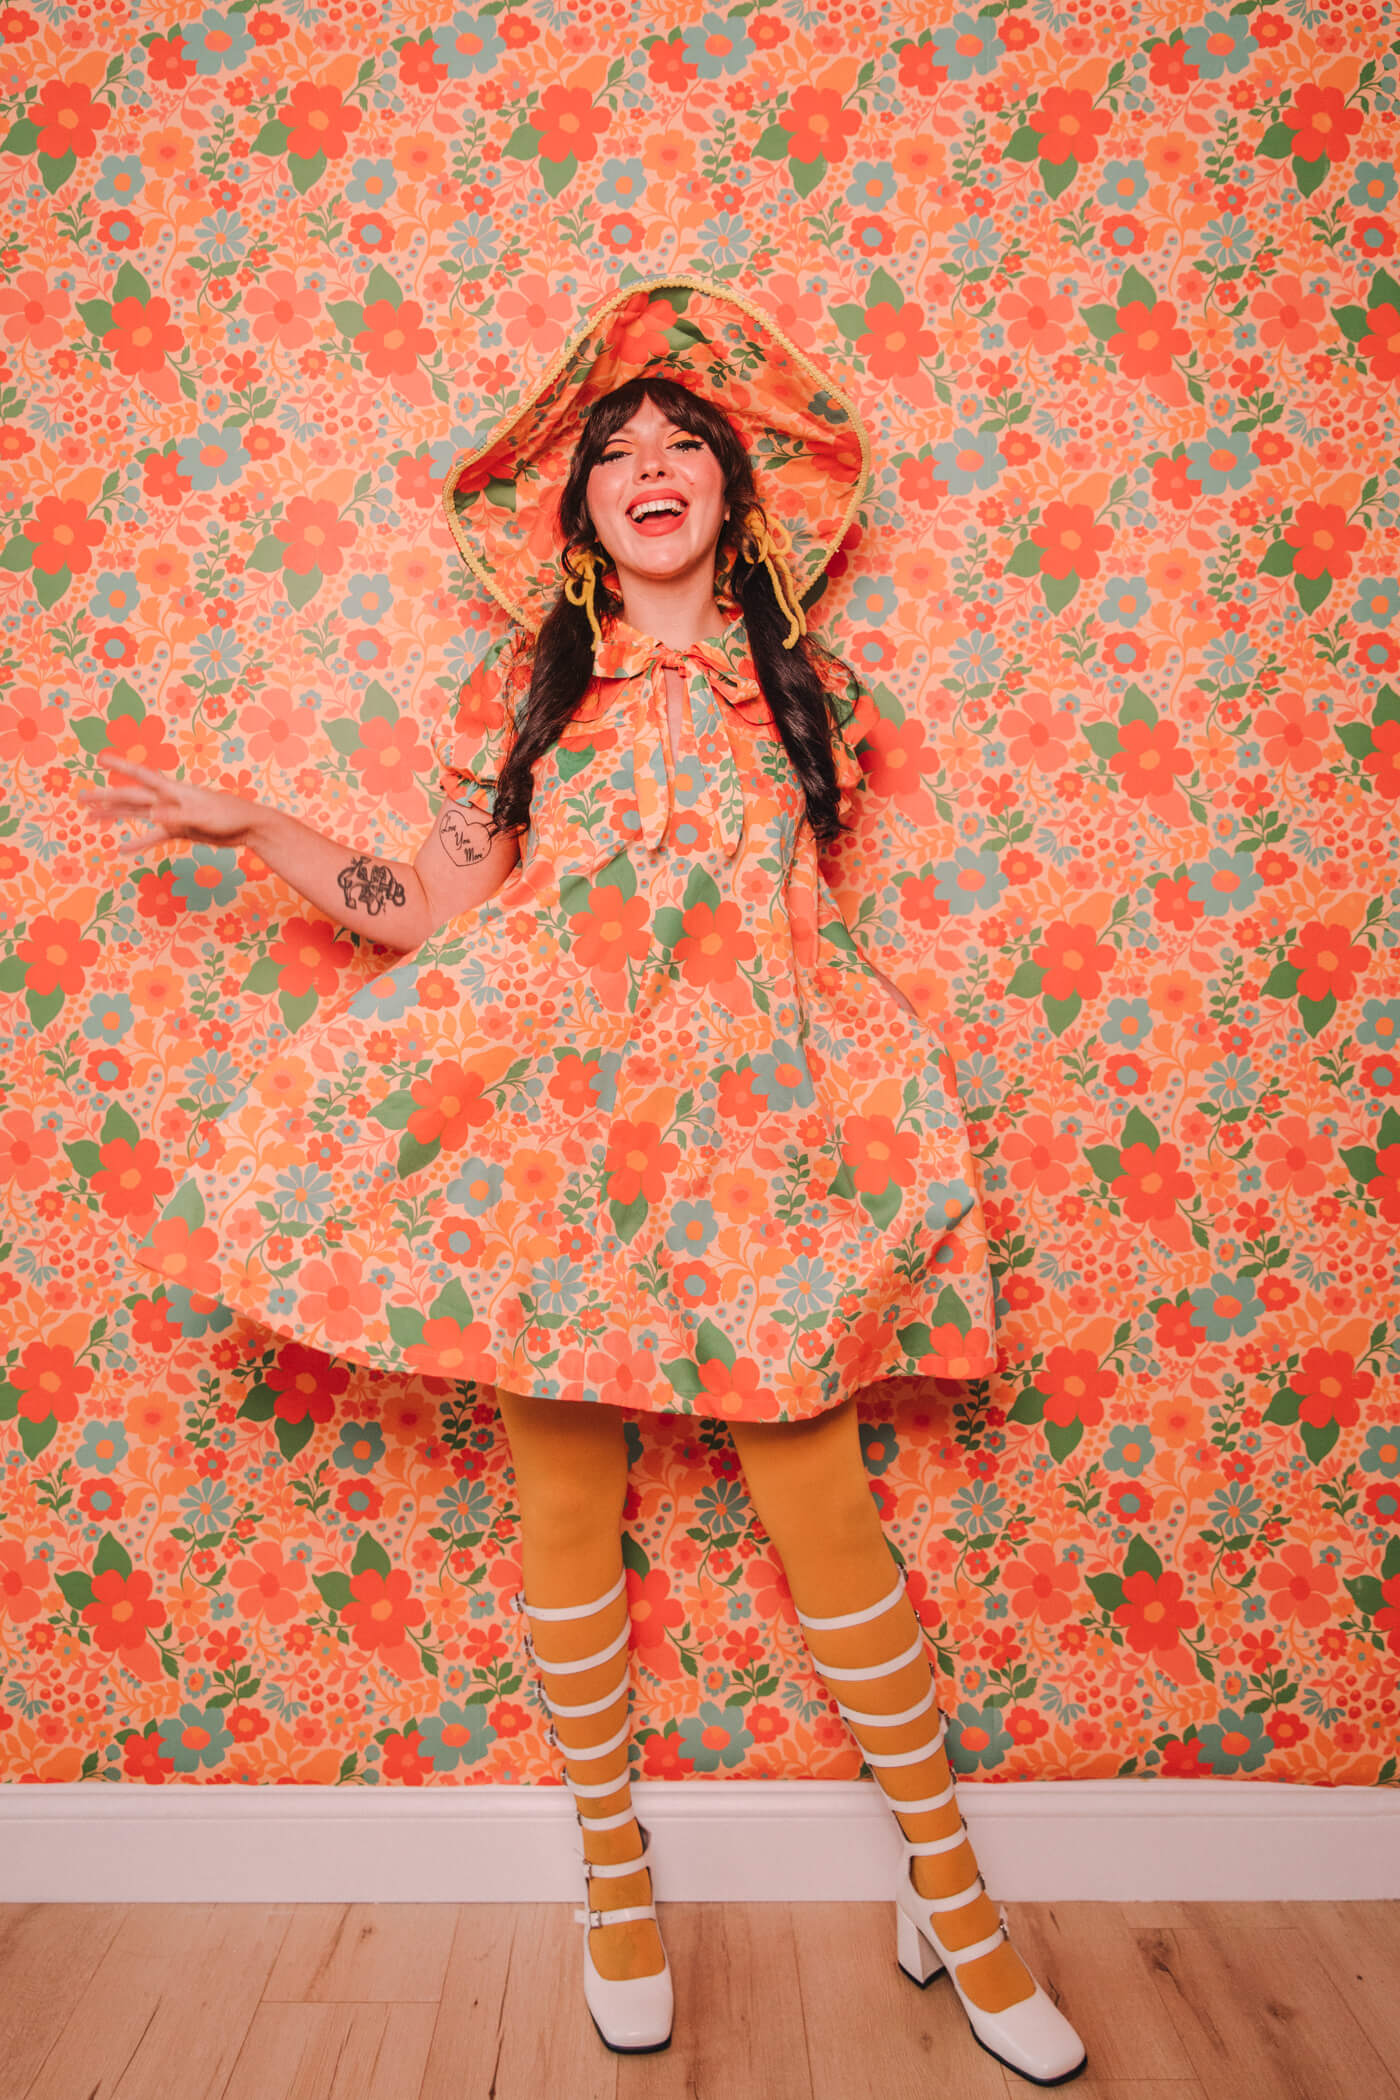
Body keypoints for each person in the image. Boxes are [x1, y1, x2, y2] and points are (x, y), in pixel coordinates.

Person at [80, 278, 1086, 2085]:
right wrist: (264, 831)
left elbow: (787, 925)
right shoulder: (531, 692)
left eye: (680, 443)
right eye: (613, 449)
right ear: (575, 513)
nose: (645, 464)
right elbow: (434, 915)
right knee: (566, 1507)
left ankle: (957, 1894)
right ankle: (611, 1878)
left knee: (820, 1503)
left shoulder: (810, 691)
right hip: (557, 1152)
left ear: (731, 492)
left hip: (767, 1144)